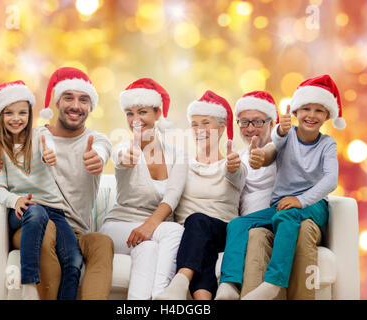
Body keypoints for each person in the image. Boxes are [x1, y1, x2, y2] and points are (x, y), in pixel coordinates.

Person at [0, 67, 114, 300]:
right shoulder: (32, 138)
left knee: (102, 242)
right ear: (56, 102)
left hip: (74, 229)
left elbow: (101, 151)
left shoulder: (96, 141)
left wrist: (97, 159)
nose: (76, 106)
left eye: (84, 99)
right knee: (45, 226)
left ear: (91, 106)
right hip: (31, 223)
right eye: (68, 97)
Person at [218, 74, 344, 300]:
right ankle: (228, 284)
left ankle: (274, 283)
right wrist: (259, 158)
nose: (311, 115)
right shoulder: (285, 135)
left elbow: (330, 180)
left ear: (327, 116)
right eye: (306, 109)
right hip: (282, 207)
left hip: (313, 206)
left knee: (286, 216)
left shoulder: (327, 144)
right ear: (295, 112)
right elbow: (270, 151)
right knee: (238, 224)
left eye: (318, 110)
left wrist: (301, 200)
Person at [0, 80, 83, 300]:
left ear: (30, 114)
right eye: (9, 113)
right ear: (0, 115)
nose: (16, 118)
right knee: (35, 211)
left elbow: (51, 147)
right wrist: (15, 200)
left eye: (22, 113)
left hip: (54, 211)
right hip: (23, 210)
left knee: (73, 261)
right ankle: (29, 285)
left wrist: (51, 155)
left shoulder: (40, 137)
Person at [99, 78, 188, 300]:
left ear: (158, 114)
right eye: (129, 113)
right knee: (175, 231)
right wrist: (124, 157)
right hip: (118, 228)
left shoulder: (178, 155)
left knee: (148, 250)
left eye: (142, 112)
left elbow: (172, 196)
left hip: (151, 233)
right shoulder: (124, 149)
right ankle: (162, 296)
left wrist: (148, 227)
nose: (135, 120)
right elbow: (120, 158)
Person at [155, 90, 247, 300]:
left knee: (196, 221)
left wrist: (233, 167)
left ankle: (180, 281)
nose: (199, 130)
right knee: (198, 239)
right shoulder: (182, 164)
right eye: (195, 124)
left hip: (223, 232)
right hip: (189, 236)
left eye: (206, 123)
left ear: (222, 128)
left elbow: (237, 176)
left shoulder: (233, 164)